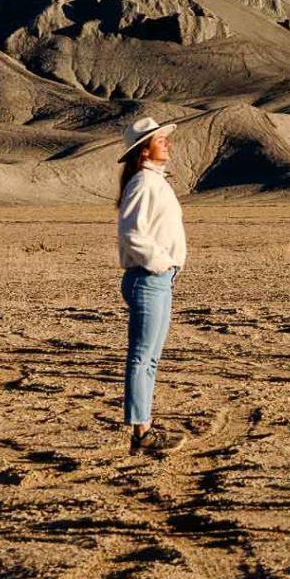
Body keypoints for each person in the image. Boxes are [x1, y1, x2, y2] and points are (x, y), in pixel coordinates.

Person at [117, 117, 188, 457]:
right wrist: (160, 262)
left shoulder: (154, 181)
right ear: (144, 149)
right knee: (142, 357)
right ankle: (140, 433)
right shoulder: (143, 183)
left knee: (150, 358)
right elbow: (131, 234)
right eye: (161, 139)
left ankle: (144, 426)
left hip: (160, 279)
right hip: (149, 278)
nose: (167, 143)